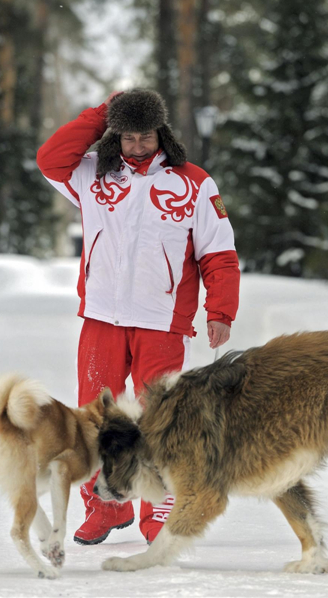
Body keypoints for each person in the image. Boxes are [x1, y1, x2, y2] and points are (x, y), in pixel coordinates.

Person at [36, 89, 240, 545]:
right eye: (126, 136)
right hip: (102, 318)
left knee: (159, 417)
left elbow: (220, 255)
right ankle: (106, 508)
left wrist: (220, 309)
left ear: (161, 133)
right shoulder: (92, 176)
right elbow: (50, 157)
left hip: (162, 321)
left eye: (145, 135)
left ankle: (157, 512)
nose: (137, 145)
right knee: (96, 416)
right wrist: (100, 114)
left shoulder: (195, 183)